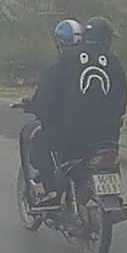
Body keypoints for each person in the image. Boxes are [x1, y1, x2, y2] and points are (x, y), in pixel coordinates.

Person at [20, 19, 83, 205]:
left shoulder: (57, 68)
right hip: (97, 131)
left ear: (59, 43)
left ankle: (51, 190)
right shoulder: (91, 65)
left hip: (67, 130)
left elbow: (44, 101)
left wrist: (33, 105)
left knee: (39, 145)